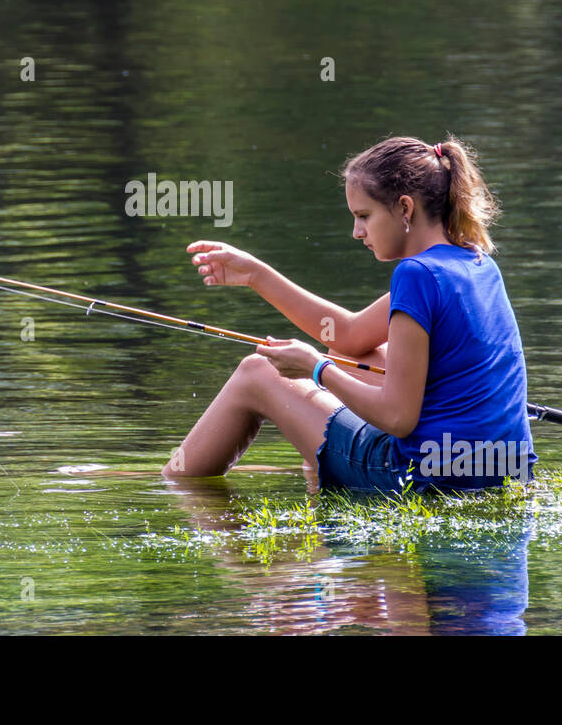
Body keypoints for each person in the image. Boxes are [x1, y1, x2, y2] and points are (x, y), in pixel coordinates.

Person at [161, 134, 536, 493]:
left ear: (405, 208)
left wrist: (316, 369)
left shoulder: (415, 274)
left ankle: (175, 487)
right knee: (357, 357)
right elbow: (348, 335)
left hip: (421, 479)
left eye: (363, 215)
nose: (357, 232)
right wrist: (256, 275)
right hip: (504, 470)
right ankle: (318, 471)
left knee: (256, 373)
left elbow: (397, 419)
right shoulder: (475, 261)